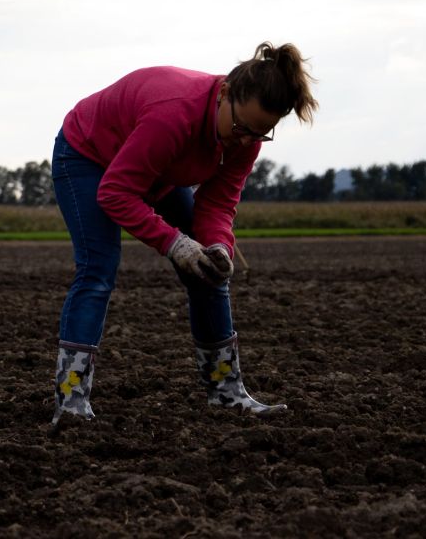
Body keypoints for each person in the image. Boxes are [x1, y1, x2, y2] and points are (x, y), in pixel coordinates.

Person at [50, 42, 318, 427]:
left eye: (261, 133)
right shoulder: (174, 114)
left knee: (208, 271)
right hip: (88, 157)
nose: (245, 141)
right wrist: (175, 243)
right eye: (241, 128)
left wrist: (217, 246)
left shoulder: (246, 136)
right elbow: (115, 192)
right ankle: (71, 402)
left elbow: (218, 203)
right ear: (224, 92)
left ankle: (227, 394)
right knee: (97, 271)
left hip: (162, 171)